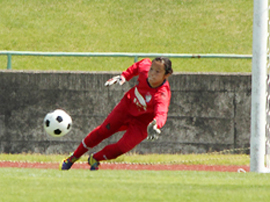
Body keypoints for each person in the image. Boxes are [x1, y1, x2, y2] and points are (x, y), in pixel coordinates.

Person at [59, 57, 173, 170]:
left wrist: (156, 124)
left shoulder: (162, 95)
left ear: (166, 75)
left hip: (143, 123)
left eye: (157, 71)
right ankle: (73, 158)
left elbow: (161, 114)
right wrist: (124, 76)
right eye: (152, 69)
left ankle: (95, 158)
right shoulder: (145, 70)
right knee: (103, 131)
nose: (152, 73)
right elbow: (140, 64)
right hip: (127, 107)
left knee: (122, 148)